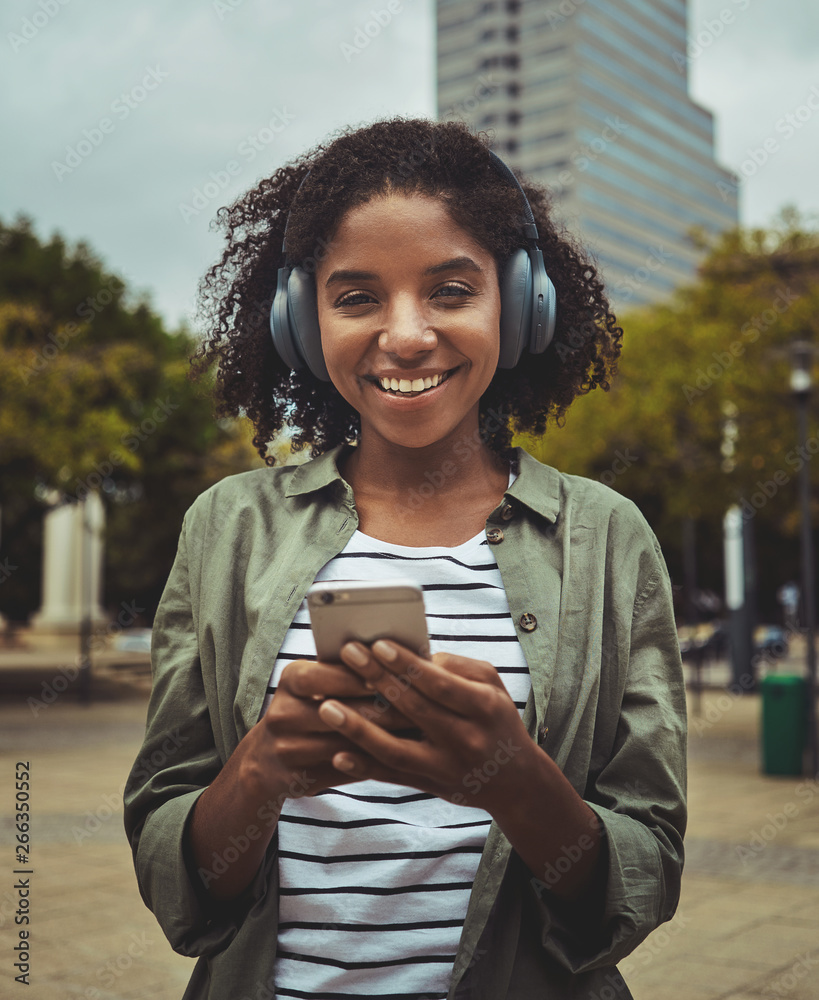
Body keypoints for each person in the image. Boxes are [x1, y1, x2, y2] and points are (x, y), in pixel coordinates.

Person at [124, 117, 687, 1000]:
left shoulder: (606, 537)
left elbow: (641, 880)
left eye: (451, 291)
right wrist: (262, 769)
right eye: (356, 299)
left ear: (521, 301)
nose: (407, 335)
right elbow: (175, 879)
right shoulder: (225, 528)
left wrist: (515, 781)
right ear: (301, 326)